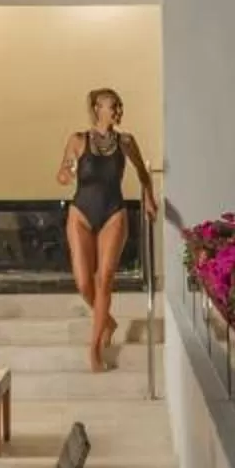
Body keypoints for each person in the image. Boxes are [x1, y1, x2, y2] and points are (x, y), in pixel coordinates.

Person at [57, 88, 157, 371]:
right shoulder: (78, 140)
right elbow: (63, 173)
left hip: (114, 213)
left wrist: (148, 196)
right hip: (81, 213)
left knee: (105, 278)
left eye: (118, 106)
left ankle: (95, 348)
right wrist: (66, 173)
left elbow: (142, 173)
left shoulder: (126, 142)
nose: (117, 111)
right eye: (112, 106)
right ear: (96, 109)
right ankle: (109, 322)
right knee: (83, 283)